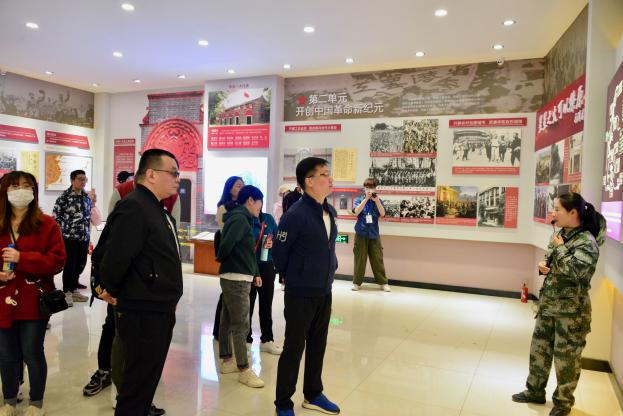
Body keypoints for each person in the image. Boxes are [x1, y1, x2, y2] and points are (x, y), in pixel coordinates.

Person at [97, 149, 183, 416]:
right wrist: (109, 288)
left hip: (158, 306)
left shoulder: (155, 207)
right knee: (136, 387)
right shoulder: (135, 206)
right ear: (151, 174)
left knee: (146, 383)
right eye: (173, 173)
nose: (178, 179)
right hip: (143, 310)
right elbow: (116, 256)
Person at [512, 193, 606, 416]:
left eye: (557, 209)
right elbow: (552, 263)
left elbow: (577, 272)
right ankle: (534, 391)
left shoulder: (587, 242)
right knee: (539, 351)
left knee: (566, 360)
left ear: (573, 213)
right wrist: (543, 266)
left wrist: (561, 248)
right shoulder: (559, 235)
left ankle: (563, 403)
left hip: (571, 314)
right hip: (549, 306)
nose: (553, 213)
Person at [273, 157, 340, 416]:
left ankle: (313, 393)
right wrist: (294, 276)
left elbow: (328, 247)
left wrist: (330, 269)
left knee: (317, 344)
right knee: (294, 348)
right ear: (309, 181)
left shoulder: (329, 212)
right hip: (300, 292)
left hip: (324, 290)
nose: (330, 179)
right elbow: (280, 252)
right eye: (324, 174)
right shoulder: (295, 215)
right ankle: (283, 403)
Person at [0, 171, 66, 416]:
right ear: (4, 191)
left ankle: (36, 402)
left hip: (33, 300)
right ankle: (9, 399)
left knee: (32, 352)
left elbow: (57, 260)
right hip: (3, 299)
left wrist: (22, 258)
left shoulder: (46, 224)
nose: (21, 191)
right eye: (14, 186)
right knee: (6, 354)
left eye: (26, 186)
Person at [216, 185, 264, 388]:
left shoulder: (243, 219)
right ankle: (244, 369)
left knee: (228, 319)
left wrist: (255, 273)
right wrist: (224, 259)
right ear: (250, 200)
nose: (260, 207)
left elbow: (247, 250)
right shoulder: (239, 219)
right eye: (259, 202)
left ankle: (227, 360)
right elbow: (226, 245)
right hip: (236, 277)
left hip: (239, 275)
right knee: (241, 324)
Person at [52, 169, 91, 306]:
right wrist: (59, 236)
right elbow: (56, 217)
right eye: (80, 179)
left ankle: (74, 290)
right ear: (72, 180)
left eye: (84, 179)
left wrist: (88, 234)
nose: (83, 182)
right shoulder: (64, 197)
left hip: (83, 237)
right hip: (69, 237)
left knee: (81, 264)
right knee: (70, 265)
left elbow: (88, 217)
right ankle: (67, 292)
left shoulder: (86, 197)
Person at [212, 176, 244, 340]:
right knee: (227, 294)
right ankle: (219, 330)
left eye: (243, 185)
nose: (241, 188)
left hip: (243, 254)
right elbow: (226, 232)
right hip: (231, 253)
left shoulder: (244, 206)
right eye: (238, 185)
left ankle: (232, 331)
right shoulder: (223, 208)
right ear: (229, 188)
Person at [247, 209, 282, 355]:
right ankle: (246, 340)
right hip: (249, 266)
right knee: (248, 305)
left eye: (259, 202)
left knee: (266, 305)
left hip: (267, 265)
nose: (257, 205)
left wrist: (272, 243)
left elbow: (278, 239)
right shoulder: (245, 220)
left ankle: (267, 340)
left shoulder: (268, 219)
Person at [351, 178, 390, 292]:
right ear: (364, 188)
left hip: (374, 234)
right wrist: (366, 199)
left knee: (377, 259)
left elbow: (382, 213)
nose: (369, 189)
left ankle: (383, 283)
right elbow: (356, 212)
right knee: (360, 259)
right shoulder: (359, 200)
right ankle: (357, 283)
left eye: (372, 187)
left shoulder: (378, 200)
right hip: (361, 233)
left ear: (375, 188)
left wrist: (376, 201)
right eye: (367, 187)